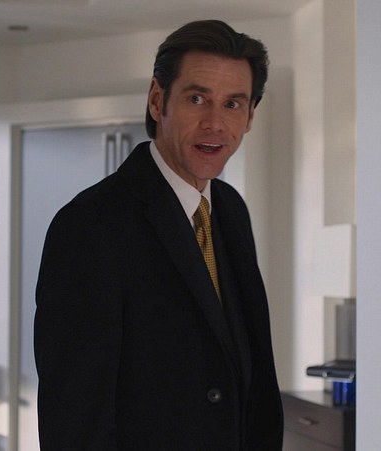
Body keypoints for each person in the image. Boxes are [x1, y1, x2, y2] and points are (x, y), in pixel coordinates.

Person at [34, 19, 283, 450]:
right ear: (156, 100)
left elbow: (249, 374)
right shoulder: (89, 225)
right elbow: (74, 418)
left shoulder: (231, 210)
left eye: (232, 104)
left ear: (249, 117)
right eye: (197, 98)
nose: (214, 123)